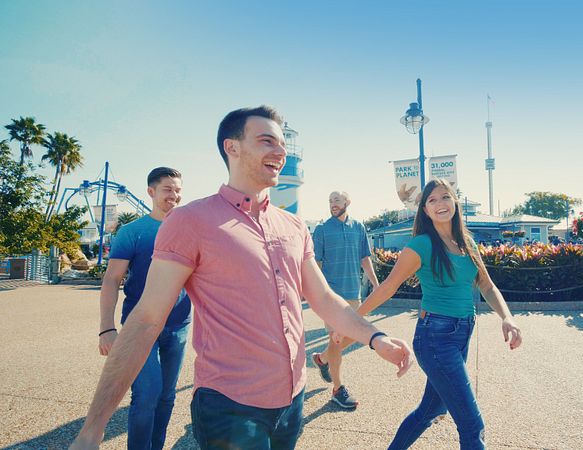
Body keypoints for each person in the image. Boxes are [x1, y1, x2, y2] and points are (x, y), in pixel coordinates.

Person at [71, 105, 412, 450]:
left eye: (283, 143)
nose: (280, 151)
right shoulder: (190, 221)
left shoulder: (293, 226)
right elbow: (145, 320)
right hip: (230, 407)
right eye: (267, 141)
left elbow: (324, 299)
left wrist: (375, 338)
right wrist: (93, 428)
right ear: (231, 147)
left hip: (292, 401)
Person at [348, 178, 523, 449]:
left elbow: (486, 285)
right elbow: (388, 287)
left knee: (429, 411)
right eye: (432, 200)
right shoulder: (422, 245)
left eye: (445, 197)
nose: (440, 204)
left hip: (462, 333)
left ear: (455, 202)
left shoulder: (467, 243)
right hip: (435, 338)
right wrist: (351, 321)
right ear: (425, 210)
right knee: (471, 425)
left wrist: (507, 317)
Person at [98, 167, 190, 450]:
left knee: (167, 396)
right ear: (151, 192)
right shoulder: (132, 232)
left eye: (177, 190)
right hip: (140, 326)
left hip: (178, 326)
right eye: (167, 190)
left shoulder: (189, 231)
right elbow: (112, 280)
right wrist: (106, 328)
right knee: (146, 394)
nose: (173, 196)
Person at [311, 191, 379, 409]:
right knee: (337, 340)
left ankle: (322, 358)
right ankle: (338, 389)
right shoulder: (322, 230)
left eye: (337, 201)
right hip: (330, 296)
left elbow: (365, 259)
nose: (333, 204)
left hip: (354, 293)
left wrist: (377, 286)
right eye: (330, 201)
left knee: (353, 336)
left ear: (347, 203)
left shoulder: (359, 228)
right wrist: (315, 293)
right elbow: (316, 265)